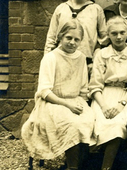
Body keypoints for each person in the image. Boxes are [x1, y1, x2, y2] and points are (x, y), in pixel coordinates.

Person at [22, 20, 95, 170]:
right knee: (71, 124)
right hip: (52, 102)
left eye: (76, 39)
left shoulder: (81, 57)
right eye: (68, 38)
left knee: (89, 120)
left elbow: (83, 88)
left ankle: (77, 163)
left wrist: (82, 104)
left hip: (75, 100)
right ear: (61, 37)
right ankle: (72, 167)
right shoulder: (50, 58)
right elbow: (44, 91)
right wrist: (67, 104)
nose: (72, 42)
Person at [89, 16, 127, 170]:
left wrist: (121, 105)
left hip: (126, 95)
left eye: (122, 33)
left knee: (118, 124)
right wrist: (104, 106)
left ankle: (106, 167)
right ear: (108, 35)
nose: (118, 37)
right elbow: (95, 84)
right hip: (104, 95)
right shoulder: (102, 54)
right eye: (114, 34)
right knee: (100, 122)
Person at [44, 0, 108, 65]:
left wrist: (96, 59)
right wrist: (47, 60)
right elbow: (51, 37)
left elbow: (103, 38)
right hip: (61, 60)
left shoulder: (96, 10)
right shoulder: (61, 9)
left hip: (86, 61)